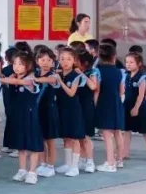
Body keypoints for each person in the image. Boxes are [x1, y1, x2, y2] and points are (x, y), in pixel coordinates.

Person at [2, 51, 43, 184]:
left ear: (28, 65)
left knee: (33, 144)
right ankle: (22, 170)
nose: (16, 67)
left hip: (30, 115)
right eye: (15, 64)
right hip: (18, 115)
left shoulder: (30, 78)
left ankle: (32, 172)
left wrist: (2, 79)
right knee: (21, 145)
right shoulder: (13, 77)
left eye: (20, 64)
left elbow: (19, 81)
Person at [122, 53, 146, 163]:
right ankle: (125, 151)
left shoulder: (142, 76)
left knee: (145, 131)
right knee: (126, 130)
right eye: (127, 62)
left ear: (139, 64)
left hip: (140, 106)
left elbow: (141, 95)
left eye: (131, 62)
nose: (128, 64)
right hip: (127, 104)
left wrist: (136, 108)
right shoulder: (126, 75)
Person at [95, 44, 125, 172]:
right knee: (118, 132)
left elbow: (97, 90)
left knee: (107, 135)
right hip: (116, 103)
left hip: (104, 104)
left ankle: (110, 163)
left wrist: (94, 105)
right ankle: (119, 160)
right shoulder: (119, 71)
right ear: (114, 56)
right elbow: (122, 90)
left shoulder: (98, 71)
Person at [55, 48, 85, 177]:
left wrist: (60, 82)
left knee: (74, 138)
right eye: (62, 59)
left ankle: (74, 166)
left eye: (68, 59)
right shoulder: (59, 74)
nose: (65, 62)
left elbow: (71, 93)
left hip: (73, 110)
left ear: (74, 61)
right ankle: (67, 164)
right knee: (66, 137)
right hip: (61, 109)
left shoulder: (76, 75)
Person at [34, 47, 59, 178]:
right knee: (40, 138)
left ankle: (51, 166)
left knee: (50, 140)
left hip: (49, 110)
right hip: (37, 111)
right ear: (37, 61)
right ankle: (42, 163)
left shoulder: (53, 75)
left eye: (49, 60)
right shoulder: (36, 74)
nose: (45, 63)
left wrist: (35, 79)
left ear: (53, 62)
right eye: (42, 60)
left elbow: (51, 80)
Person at [76, 51, 99, 173]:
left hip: (87, 107)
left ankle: (90, 161)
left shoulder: (92, 72)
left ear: (84, 62)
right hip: (77, 107)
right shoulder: (74, 72)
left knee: (86, 136)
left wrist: (81, 74)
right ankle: (81, 159)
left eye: (76, 60)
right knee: (79, 136)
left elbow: (93, 86)